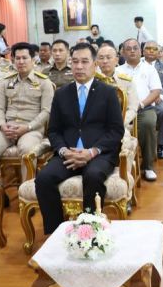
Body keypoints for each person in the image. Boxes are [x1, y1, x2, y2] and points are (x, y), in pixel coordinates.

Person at [34, 43, 124, 234]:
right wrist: (64, 151)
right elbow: (54, 131)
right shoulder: (61, 94)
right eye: (75, 62)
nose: (79, 67)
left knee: (92, 176)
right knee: (43, 178)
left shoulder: (108, 93)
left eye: (84, 62)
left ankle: (89, 232)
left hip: (99, 154)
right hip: (69, 153)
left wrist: (91, 152)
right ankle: (56, 232)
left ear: (95, 64)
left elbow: (116, 131)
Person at [0, 42, 53, 215]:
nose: (20, 62)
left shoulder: (44, 82)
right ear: (12, 60)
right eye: (17, 58)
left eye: (24, 58)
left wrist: (27, 127)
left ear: (33, 60)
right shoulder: (6, 82)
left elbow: (46, 112)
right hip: (8, 127)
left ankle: (27, 196)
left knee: (27, 151)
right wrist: (2, 125)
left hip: (31, 128)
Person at [117, 39, 162, 181]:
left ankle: (148, 166)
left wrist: (140, 104)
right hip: (122, 111)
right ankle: (121, 166)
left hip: (144, 108)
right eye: (128, 49)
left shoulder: (149, 69)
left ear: (140, 51)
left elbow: (156, 91)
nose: (132, 51)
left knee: (148, 124)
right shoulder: (118, 71)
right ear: (122, 52)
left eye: (135, 48)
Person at [96, 44, 139, 132]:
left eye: (108, 57)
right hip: (94, 126)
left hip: (119, 125)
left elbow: (133, 108)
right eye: (101, 58)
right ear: (96, 61)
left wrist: (119, 122)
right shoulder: (91, 80)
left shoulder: (126, 81)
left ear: (116, 60)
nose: (105, 61)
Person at [144, 41, 163, 160]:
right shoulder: (139, 64)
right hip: (144, 99)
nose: (151, 51)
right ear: (143, 51)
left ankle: (161, 146)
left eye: (154, 49)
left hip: (158, 99)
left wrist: (160, 97)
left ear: (158, 52)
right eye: (148, 48)